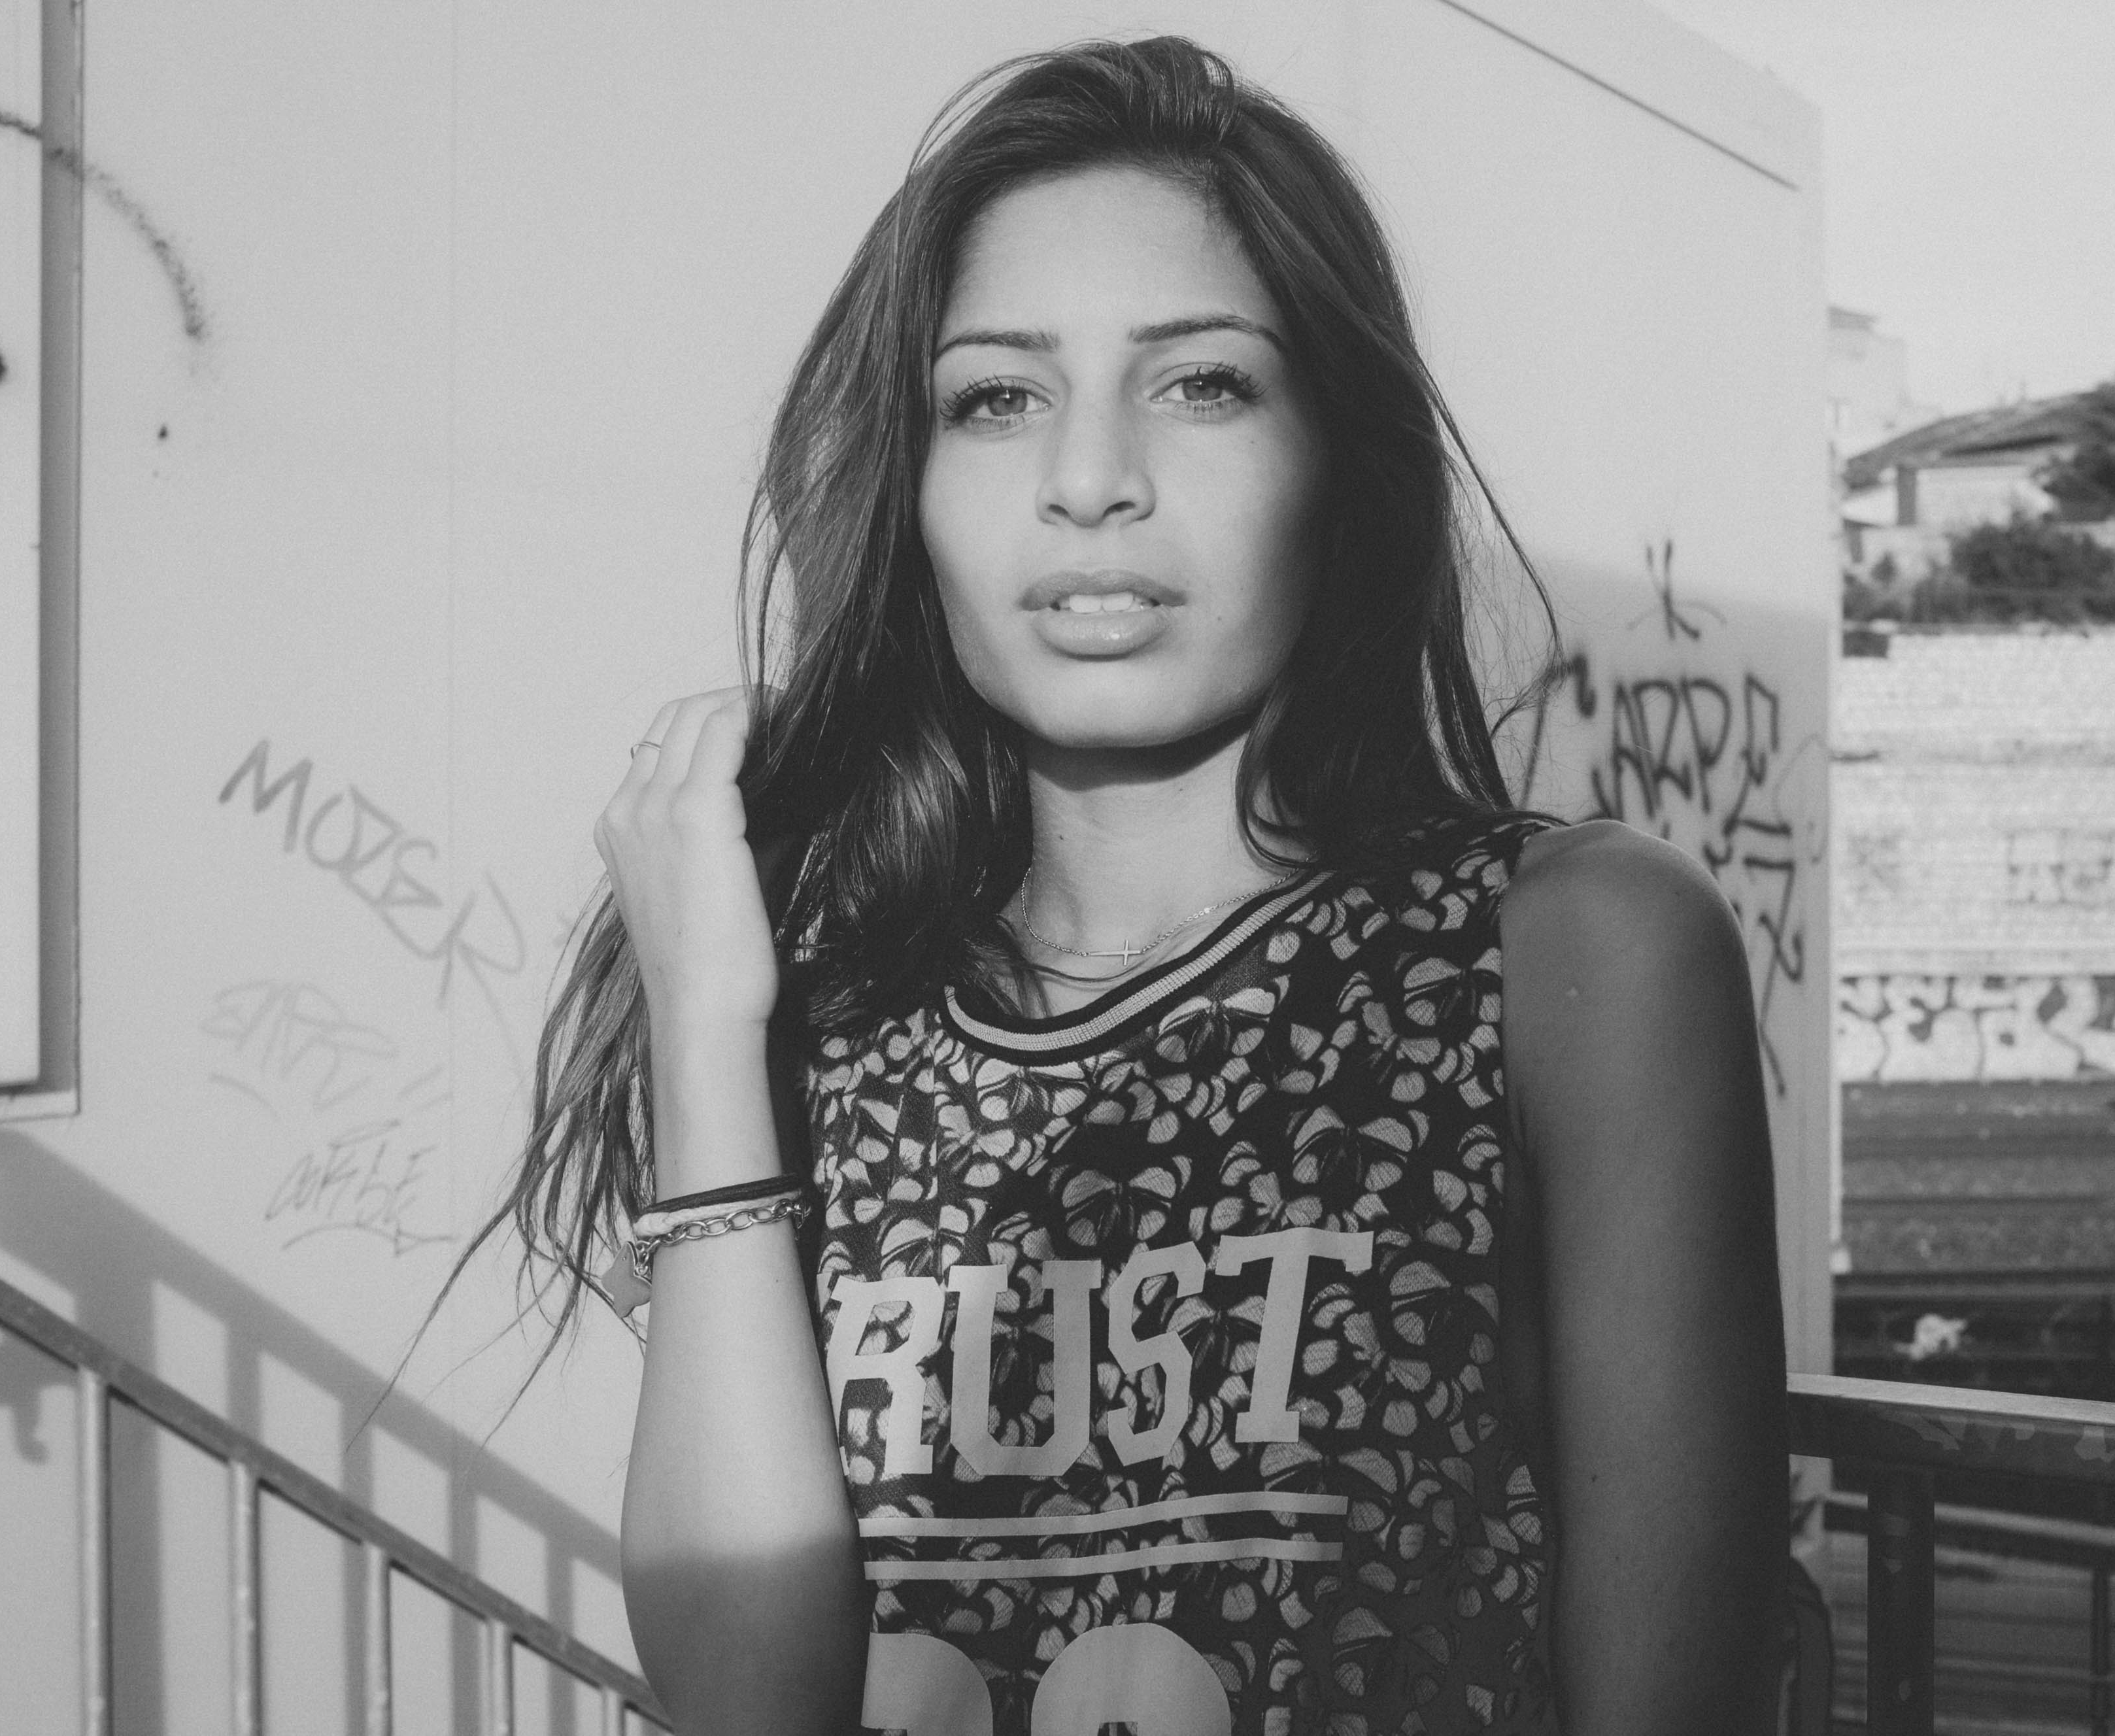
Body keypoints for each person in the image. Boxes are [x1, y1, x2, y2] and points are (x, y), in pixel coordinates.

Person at [483, 35, 1787, 1736]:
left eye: (1202, 384)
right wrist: (709, 1031)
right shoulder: (818, 1010)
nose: (1090, 477)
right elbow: (751, 1706)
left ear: (1342, 461)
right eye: (996, 397)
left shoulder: (1565, 952)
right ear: (910, 487)